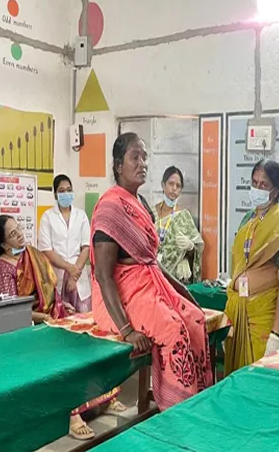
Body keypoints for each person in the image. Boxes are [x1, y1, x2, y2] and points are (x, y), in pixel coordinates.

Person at [91, 132, 212, 411]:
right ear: (118, 165)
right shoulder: (110, 207)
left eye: (145, 158)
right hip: (121, 296)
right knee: (173, 329)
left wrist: (183, 292)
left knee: (195, 318)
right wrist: (127, 331)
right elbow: (103, 276)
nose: (142, 163)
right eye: (135, 157)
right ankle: (175, 412)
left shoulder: (141, 204)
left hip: (148, 285)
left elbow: (151, 262)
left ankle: (197, 402)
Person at [0, 214, 124, 441]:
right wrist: (43, 317)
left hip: (52, 319)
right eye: (13, 233)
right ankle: (71, 416)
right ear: (4, 244)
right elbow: (11, 312)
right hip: (30, 330)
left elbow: (50, 291)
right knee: (64, 361)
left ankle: (105, 397)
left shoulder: (33, 254)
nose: (20, 234)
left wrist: (63, 305)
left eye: (19, 228)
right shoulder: (3, 268)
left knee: (87, 344)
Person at [223, 159, 279, 375]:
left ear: (275, 190)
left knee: (259, 381)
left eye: (263, 184)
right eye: (254, 183)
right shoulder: (248, 219)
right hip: (238, 312)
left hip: (263, 317)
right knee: (236, 381)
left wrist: (276, 335)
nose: (257, 188)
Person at [39, 174, 92, 312]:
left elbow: (86, 247)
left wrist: (74, 275)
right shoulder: (47, 217)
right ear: (55, 195)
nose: (66, 194)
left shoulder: (81, 216)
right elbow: (47, 250)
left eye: (69, 190)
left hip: (78, 274)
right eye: (61, 191)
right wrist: (69, 268)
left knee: (83, 317)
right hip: (58, 274)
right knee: (60, 314)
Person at [154, 166, 204, 284]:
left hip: (175, 278)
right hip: (152, 273)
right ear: (163, 185)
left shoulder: (184, 216)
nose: (174, 188)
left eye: (178, 186)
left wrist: (190, 249)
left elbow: (197, 249)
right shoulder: (151, 212)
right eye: (171, 184)